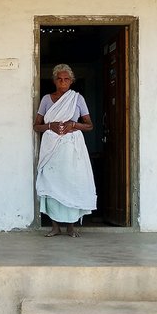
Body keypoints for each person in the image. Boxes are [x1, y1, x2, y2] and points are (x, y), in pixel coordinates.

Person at [33, 64, 97, 237]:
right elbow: (36, 126)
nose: (62, 82)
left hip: (71, 148)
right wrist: (50, 126)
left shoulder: (77, 99)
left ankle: (71, 226)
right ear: (54, 81)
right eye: (59, 79)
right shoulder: (46, 99)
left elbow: (89, 125)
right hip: (51, 148)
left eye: (66, 79)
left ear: (71, 81)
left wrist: (73, 125)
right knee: (51, 183)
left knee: (71, 183)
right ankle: (55, 226)